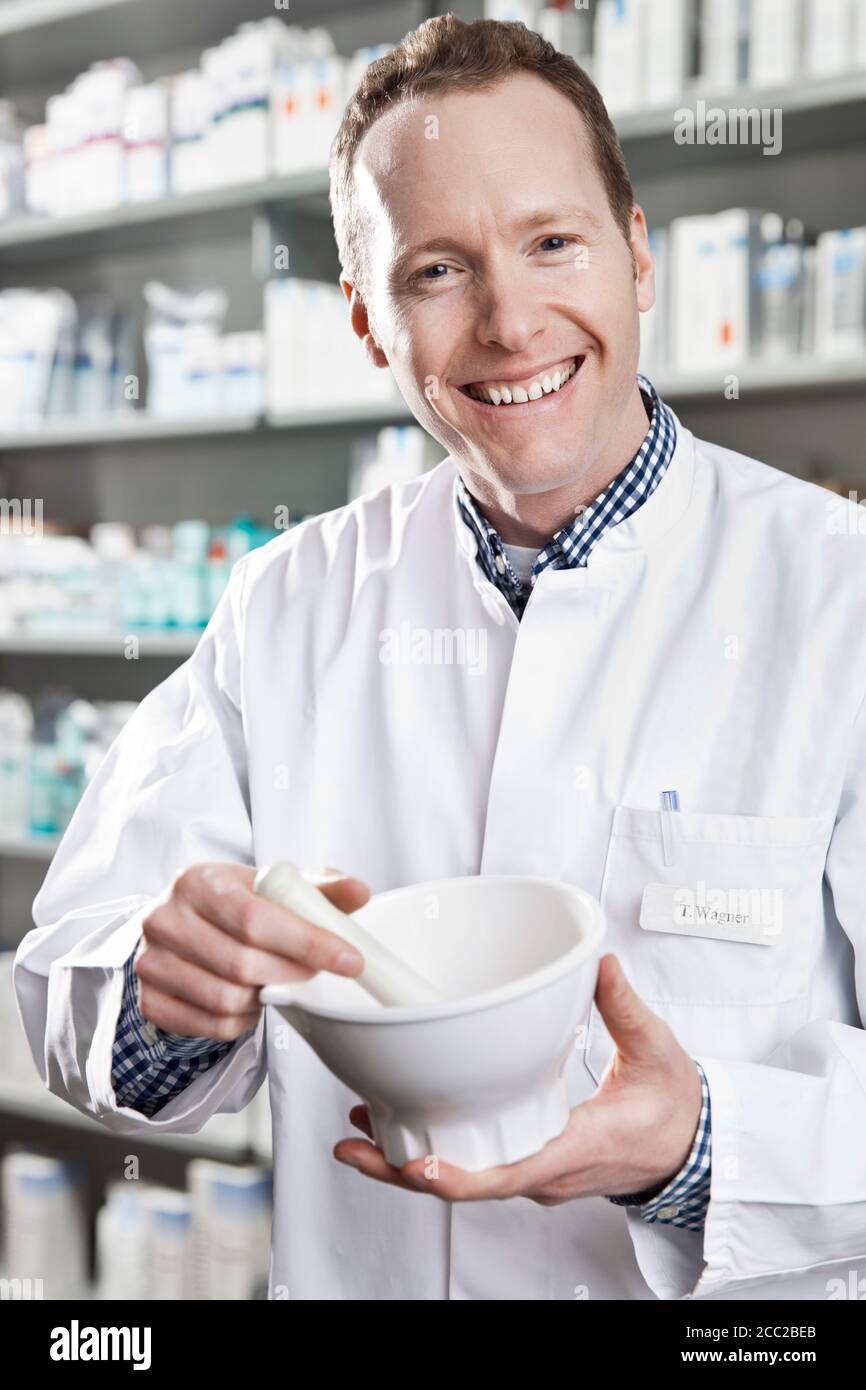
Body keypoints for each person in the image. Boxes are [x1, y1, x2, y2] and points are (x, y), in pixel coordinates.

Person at [14, 16, 866, 1300]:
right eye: (434, 272)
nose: (511, 321)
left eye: (552, 242)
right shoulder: (283, 605)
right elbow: (72, 978)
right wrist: (159, 992)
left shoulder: (836, 592)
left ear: (636, 257)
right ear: (367, 323)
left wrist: (700, 1148)